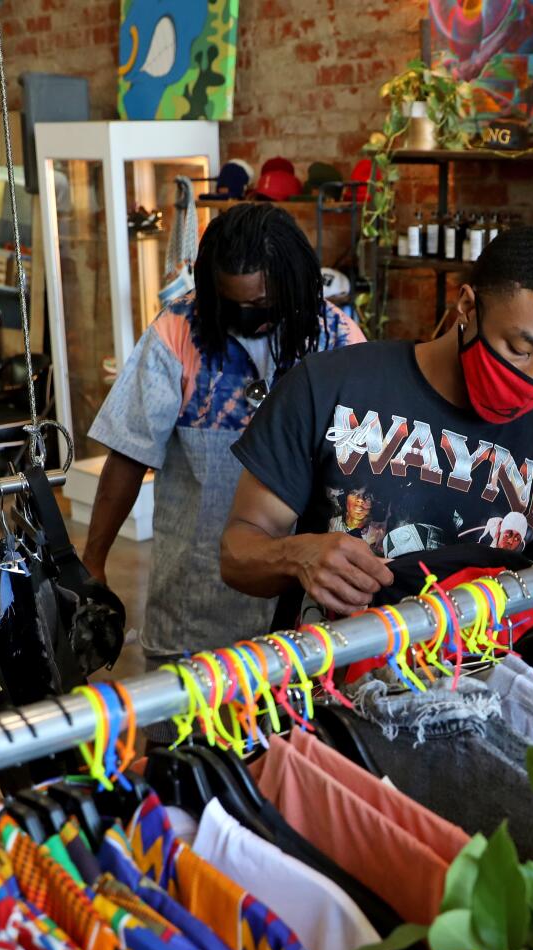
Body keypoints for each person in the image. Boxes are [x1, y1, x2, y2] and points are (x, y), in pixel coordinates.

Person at [222, 224, 533, 622]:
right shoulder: (331, 387)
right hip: (325, 676)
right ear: (467, 307)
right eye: (520, 350)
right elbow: (236, 553)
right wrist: (296, 555)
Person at [85, 203, 362, 664]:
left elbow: (361, 472)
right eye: (232, 303)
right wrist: (94, 559)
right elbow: (128, 455)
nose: (248, 316)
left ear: (294, 285)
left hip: (299, 609)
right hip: (194, 599)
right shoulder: (176, 331)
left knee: (286, 733)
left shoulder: (338, 342)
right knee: (181, 732)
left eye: (261, 305)